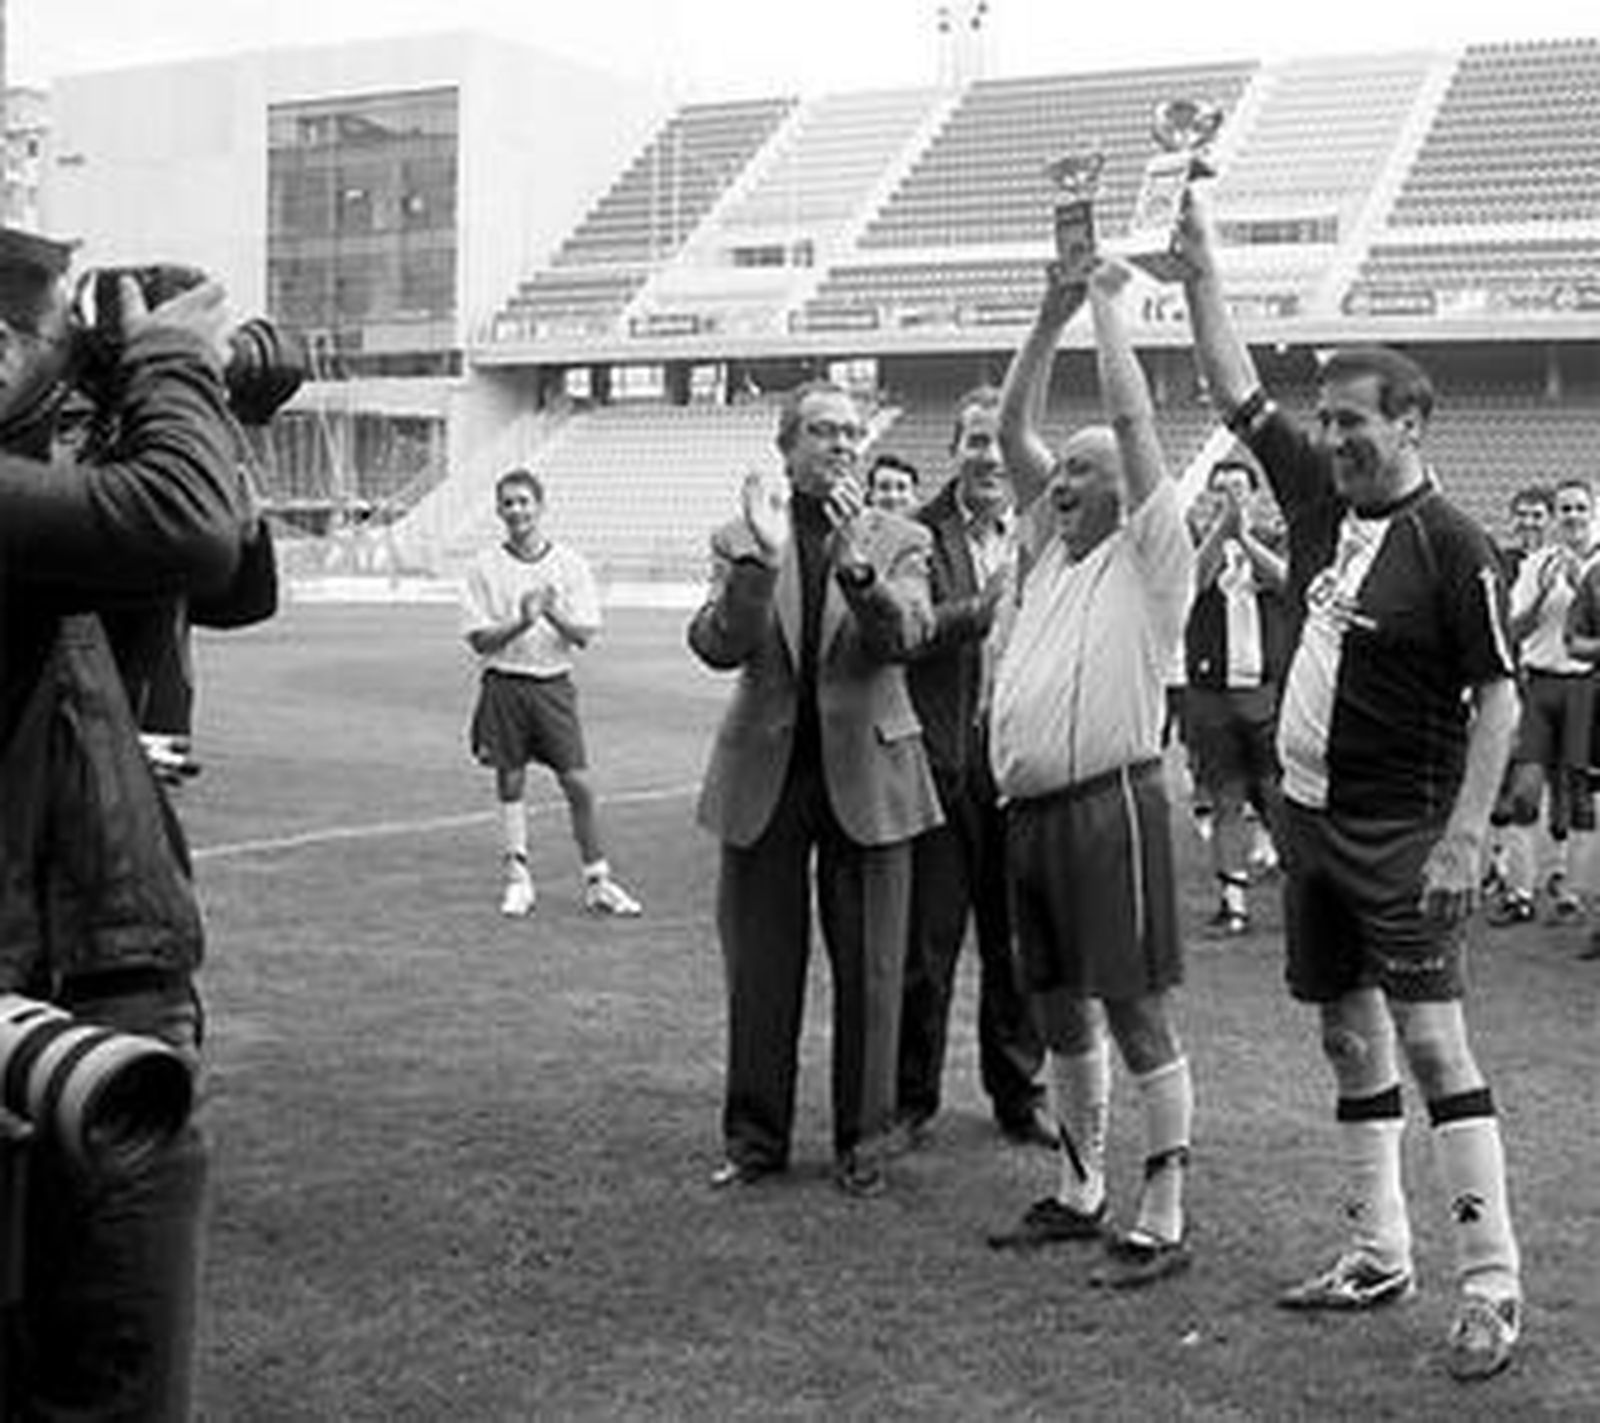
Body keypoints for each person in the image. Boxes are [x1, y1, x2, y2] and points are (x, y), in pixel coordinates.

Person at [1179, 189, 1524, 1381]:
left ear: (1414, 421)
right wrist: (1200, 273)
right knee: (1343, 1034)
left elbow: (1500, 698)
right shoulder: (1321, 505)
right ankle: (1378, 1249)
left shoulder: (1455, 547)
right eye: (1325, 423)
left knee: (1434, 1046)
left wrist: (1465, 832)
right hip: (1311, 825)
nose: (1331, 441)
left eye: (1354, 424)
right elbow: (1236, 392)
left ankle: (1491, 1285)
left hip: (1404, 832)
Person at [0, 227, 251, 1418]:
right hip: (23, 986)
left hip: (118, 971)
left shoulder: (63, 474)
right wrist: (168, 369)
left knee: (126, 1372)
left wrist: (140, 391)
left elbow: (236, 574)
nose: (74, 340)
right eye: (51, 323)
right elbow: (182, 526)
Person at [983, 256, 1197, 1290]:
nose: (1057, 482)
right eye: (1056, 473)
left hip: (1111, 805)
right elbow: (1008, 428)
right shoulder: (1051, 550)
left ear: (1128, 487)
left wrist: (1108, 306)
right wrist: (1047, 312)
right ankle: (1081, 1190)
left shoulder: (1152, 553)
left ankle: (1162, 1202)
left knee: (1134, 1005)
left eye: (1080, 470)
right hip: (1028, 814)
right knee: (1059, 1006)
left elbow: (1133, 419)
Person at [689, 380, 943, 1197]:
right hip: (765, 773)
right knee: (761, 969)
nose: (842, 445)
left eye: (852, 433)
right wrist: (761, 564)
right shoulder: (740, 535)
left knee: (873, 969)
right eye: (824, 431)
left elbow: (907, 635)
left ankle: (863, 1141)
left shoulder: (898, 535)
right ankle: (756, 1140)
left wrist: (861, 577)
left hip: (869, 771)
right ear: (786, 444)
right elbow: (717, 645)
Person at [895, 387, 1049, 1151]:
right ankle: (908, 1101)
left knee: (1016, 946)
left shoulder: (1051, 531)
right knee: (928, 946)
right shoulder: (916, 533)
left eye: (999, 441)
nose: (989, 456)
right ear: (953, 449)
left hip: (1022, 771)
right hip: (942, 765)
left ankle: (1020, 1096)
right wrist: (980, 611)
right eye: (975, 441)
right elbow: (906, 631)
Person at [462, 468, 643, 918]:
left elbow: (583, 634)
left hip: (553, 686)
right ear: (499, 511)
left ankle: (598, 879)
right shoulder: (483, 567)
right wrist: (522, 620)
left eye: (524, 501)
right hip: (505, 683)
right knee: (510, 778)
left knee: (578, 783)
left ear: (540, 507)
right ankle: (518, 876)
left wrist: (551, 612)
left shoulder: (570, 564)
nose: (516, 510)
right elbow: (479, 640)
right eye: (508, 503)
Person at [1182, 455, 1290, 935]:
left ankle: (1304, 892)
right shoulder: (1192, 542)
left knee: (1277, 795)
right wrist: (1222, 532)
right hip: (1210, 691)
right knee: (1226, 796)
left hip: (1263, 689)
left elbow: (1286, 582)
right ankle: (1233, 902)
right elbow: (1194, 581)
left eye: (1238, 489)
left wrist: (1242, 534)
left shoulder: (1271, 540)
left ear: (1255, 495)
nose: (1230, 498)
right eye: (1221, 489)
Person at [1490, 478, 1596, 926]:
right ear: (1555, 517)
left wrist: (1585, 588)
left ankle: (1572, 895)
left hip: (1586, 686)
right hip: (1540, 686)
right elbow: (1511, 631)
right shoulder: (1538, 563)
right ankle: (1520, 894)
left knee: (1580, 796)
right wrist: (1539, 596)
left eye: (1580, 508)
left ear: (1593, 512)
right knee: (1525, 791)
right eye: (1565, 509)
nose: (1572, 516)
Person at [1482, 483, 1555, 916]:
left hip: (1550, 686)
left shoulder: (1569, 564)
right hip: (1506, 682)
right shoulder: (1504, 564)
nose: (1529, 522)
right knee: (1498, 779)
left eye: (1537, 515)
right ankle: (1501, 867)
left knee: (1543, 789)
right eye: (1522, 515)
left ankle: (1554, 878)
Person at [865, 450, 921, 516]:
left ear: (914, 493)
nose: (893, 496)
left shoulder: (929, 525)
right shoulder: (857, 525)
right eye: (884, 487)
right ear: (871, 495)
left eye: (901, 487)